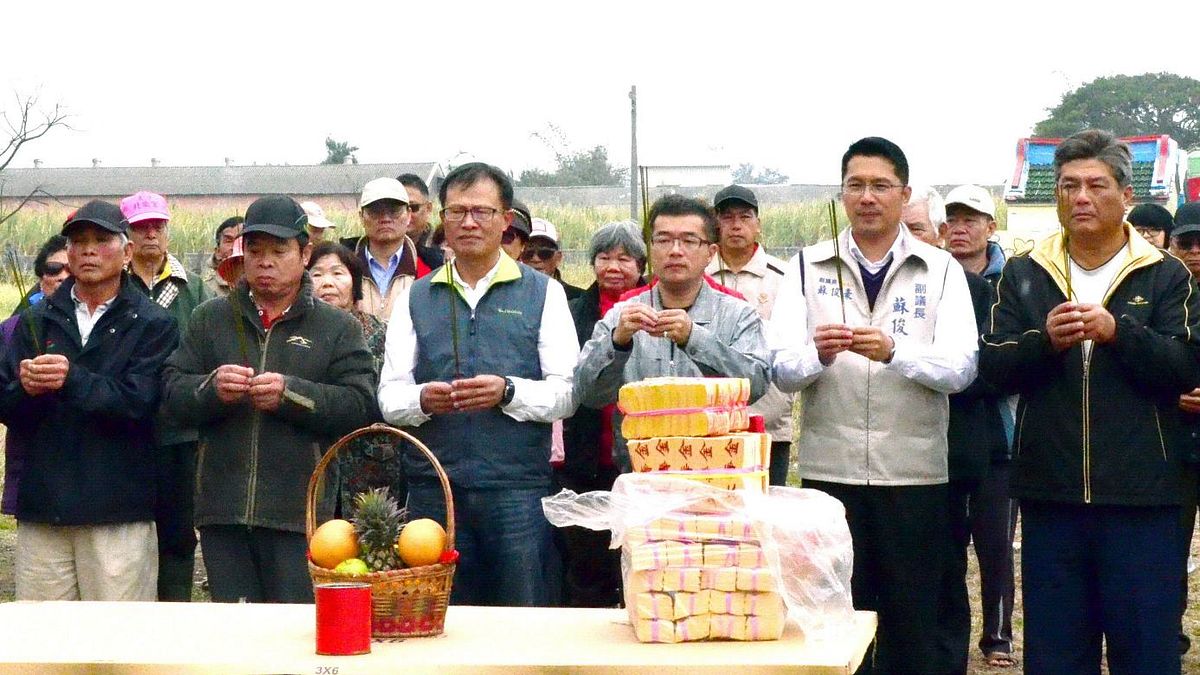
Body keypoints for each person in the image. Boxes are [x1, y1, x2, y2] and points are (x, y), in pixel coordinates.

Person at [980, 130, 1200, 674]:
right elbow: (992, 367)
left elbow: (1186, 367)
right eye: (1068, 185)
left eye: (1096, 185)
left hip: (1144, 496)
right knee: (1057, 654)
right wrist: (1045, 343)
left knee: (1145, 653)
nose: (1081, 197)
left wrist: (1117, 332)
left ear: (1126, 196)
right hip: (1050, 494)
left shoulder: (1166, 273)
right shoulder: (1025, 272)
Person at [772, 137, 978, 675]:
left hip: (915, 474)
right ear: (841, 193)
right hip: (828, 471)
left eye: (881, 186)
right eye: (856, 185)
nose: (868, 197)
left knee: (912, 618)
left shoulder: (941, 270)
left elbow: (961, 369)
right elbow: (781, 369)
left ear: (904, 193)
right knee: (837, 616)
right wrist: (817, 355)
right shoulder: (805, 266)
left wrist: (896, 353)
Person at [378, 162, 577, 607]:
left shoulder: (542, 293)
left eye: (482, 212)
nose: (468, 222)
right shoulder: (416, 295)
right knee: (436, 619)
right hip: (434, 488)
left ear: (506, 221)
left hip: (517, 490)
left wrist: (508, 392)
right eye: (457, 211)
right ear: (439, 219)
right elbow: (390, 396)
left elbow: (567, 392)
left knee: (521, 617)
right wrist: (423, 400)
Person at [163, 195, 377, 604]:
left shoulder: (336, 327)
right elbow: (172, 393)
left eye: (279, 251)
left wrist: (290, 394)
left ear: (304, 252)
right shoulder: (211, 317)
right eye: (255, 251)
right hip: (221, 511)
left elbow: (359, 405)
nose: (265, 262)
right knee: (235, 638)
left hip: (298, 515)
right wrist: (211, 389)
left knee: (292, 635)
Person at [0, 200, 179, 601]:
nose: (88, 250)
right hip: (44, 509)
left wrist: (72, 378)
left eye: (101, 240)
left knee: (117, 646)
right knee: (45, 647)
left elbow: (141, 403)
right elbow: (8, 408)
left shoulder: (154, 324)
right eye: (78, 242)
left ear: (128, 252)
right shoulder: (35, 320)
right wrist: (24, 389)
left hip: (118, 512)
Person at [574, 194, 771, 470]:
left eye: (689, 241)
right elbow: (588, 394)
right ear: (650, 249)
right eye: (664, 240)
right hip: (640, 474)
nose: (675, 251)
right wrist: (617, 344)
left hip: (716, 473)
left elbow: (757, 384)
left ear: (711, 253)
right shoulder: (623, 313)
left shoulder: (737, 313)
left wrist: (695, 339)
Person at [923, 185, 1017, 672]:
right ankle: (947, 634)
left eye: (971, 219)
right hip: (939, 434)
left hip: (998, 433)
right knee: (947, 542)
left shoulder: (1013, 281)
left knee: (996, 542)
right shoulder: (930, 280)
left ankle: (998, 635)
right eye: (952, 220)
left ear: (990, 226)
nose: (960, 228)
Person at [120, 190, 213, 602]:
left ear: (168, 229)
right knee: (126, 532)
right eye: (141, 227)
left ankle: (175, 610)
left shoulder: (194, 289)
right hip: (124, 424)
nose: (150, 234)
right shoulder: (113, 283)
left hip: (180, 431)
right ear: (127, 235)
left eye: (157, 225)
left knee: (177, 532)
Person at [560, 221, 647, 607]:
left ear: (642, 265)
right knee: (587, 555)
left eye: (624, 258)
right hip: (586, 448)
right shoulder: (572, 310)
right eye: (604, 257)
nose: (613, 266)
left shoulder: (657, 309)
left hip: (639, 451)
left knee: (636, 554)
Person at [706, 184, 795, 486]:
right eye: (727, 217)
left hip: (767, 422)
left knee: (765, 518)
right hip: (707, 423)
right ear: (714, 224)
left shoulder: (785, 278)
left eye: (745, 217)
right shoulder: (697, 275)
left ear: (758, 224)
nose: (736, 225)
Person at [305, 241, 401, 515]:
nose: (327, 282)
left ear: (354, 282)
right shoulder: (299, 334)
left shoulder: (382, 332)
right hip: (314, 460)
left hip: (370, 462)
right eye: (317, 274)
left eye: (337, 273)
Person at [0, 235, 69, 517]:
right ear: (41, 277)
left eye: (69, 269)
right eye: (54, 269)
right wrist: (25, 388)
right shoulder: (13, 328)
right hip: (30, 458)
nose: (63, 276)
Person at [1170, 201, 1200, 655]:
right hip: (1175, 446)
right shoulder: (1162, 293)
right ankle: (1166, 633)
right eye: (1186, 243)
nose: (1194, 252)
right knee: (1168, 551)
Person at [341, 177, 429, 320]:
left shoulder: (432, 266)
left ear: (408, 214)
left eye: (394, 211)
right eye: (376, 211)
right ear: (361, 217)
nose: (385, 218)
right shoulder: (343, 266)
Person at [523, 217, 585, 300]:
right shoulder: (508, 296)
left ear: (558, 258)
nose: (536, 258)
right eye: (528, 252)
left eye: (545, 252)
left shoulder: (580, 299)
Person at [398, 173, 444, 270]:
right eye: (397, 209)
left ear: (428, 208)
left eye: (413, 207)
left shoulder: (443, 249)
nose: (405, 214)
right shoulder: (373, 250)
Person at [203, 216, 243, 296]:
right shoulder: (206, 290)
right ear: (217, 251)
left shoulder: (264, 284)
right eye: (229, 241)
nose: (235, 247)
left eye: (241, 240)